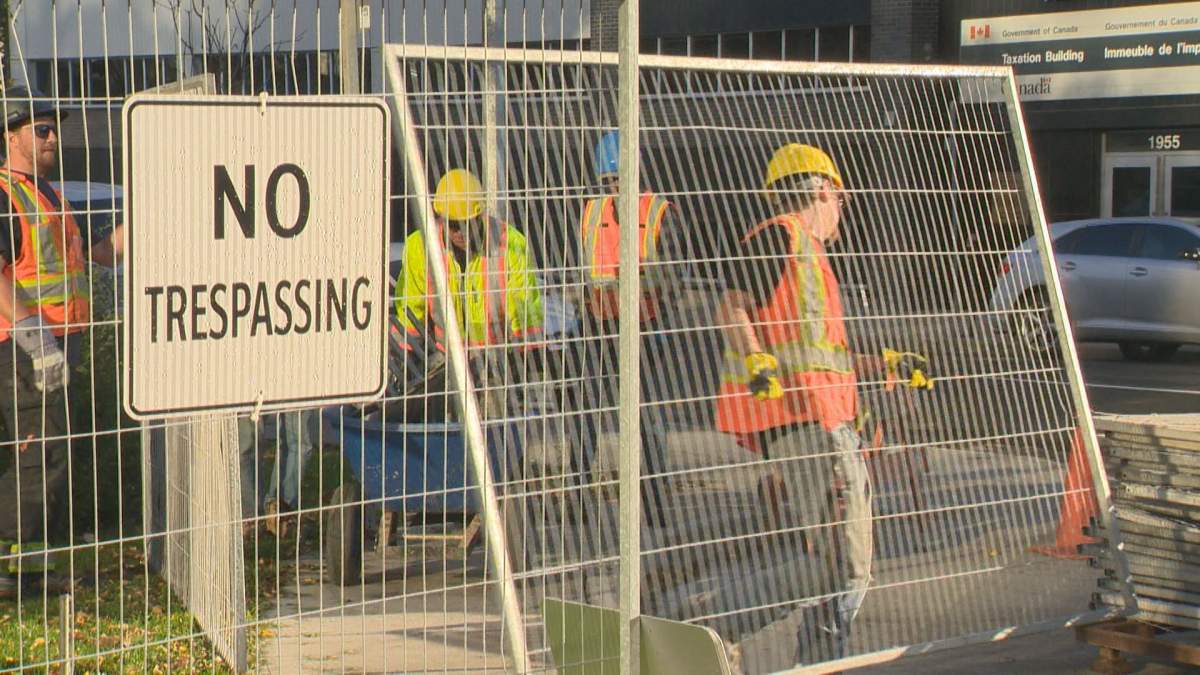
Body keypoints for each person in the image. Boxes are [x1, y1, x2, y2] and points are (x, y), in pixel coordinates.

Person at [715, 143, 930, 661]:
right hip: (802, 421)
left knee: (835, 559)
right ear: (824, 190)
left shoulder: (809, 255)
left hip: (821, 420)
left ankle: (814, 663)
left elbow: (821, 353)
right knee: (846, 565)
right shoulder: (780, 240)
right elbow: (731, 305)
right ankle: (713, 627)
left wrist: (884, 363)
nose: (842, 210)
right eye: (839, 197)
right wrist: (757, 362)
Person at [0, 85, 124, 598]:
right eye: (41, 129)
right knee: (35, 452)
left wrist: (124, 237)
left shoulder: (50, 194)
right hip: (25, 349)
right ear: (11, 135)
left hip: (58, 342)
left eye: (56, 128)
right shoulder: (6, 194)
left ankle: (33, 563)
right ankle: (16, 569)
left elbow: (86, 259)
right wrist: (35, 338)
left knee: (50, 451)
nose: (54, 137)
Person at [573, 131, 681, 531]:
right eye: (610, 181)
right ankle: (581, 507)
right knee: (582, 414)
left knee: (644, 418)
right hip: (597, 324)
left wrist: (636, 285)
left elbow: (671, 275)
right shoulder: (591, 211)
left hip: (644, 328)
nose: (616, 189)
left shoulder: (658, 212)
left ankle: (653, 510)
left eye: (621, 180)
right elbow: (584, 266)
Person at [395, 167, 544, 399]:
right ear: (441, 219)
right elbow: (410, 312)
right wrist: (408, 364)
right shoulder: (420, 247)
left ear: (480, 216)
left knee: (493, 431)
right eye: (454, 225)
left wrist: (525, 367)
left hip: (496, 367)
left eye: (468, 223)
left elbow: (525, 312)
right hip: (444, 366)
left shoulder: (509, 244)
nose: (461, 232)